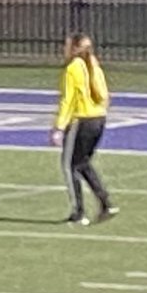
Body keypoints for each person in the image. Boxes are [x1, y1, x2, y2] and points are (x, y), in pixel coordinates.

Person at [50, 33, 119, 226]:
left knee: (69, 165)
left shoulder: (73, 68)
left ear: (74, 48)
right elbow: (105, 94)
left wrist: (59, 127)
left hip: (82, 120)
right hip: (98, 118)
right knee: (82, 163)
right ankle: (105, 203)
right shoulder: (95, 66)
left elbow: (68, 100)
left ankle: (78, 212)